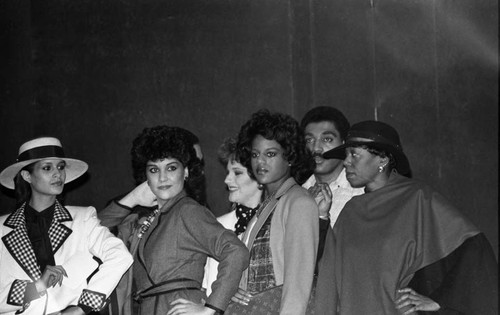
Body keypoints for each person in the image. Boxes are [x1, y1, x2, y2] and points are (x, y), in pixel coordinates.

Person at [315, 121, 498, 315]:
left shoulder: (418, 198)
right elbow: (329, 274)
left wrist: (439, 300)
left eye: (354, 154)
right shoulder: (351, 211)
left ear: (382, 160)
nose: (346, 162)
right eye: (346, 155)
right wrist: (321, 217)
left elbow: (474, 249)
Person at [99, 126, 249, 315]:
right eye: (154, 170)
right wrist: (133, 198)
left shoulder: (188, 210)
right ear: (145, 176)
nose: (162, 178)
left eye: (171, 168)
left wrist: (211, 308)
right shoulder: (151, 216)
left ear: (185, 171)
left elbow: (235, 251)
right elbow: (92, 232)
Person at [0, 137, 133, 315]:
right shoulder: (2, 228)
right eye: (47, 168)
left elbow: (120, 255)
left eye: (61, 167)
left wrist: (82, 308)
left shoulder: (82, 219)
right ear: (26, 175)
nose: (58, 174)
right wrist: (37, 286)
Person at [226, 109, 319, 315]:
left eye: (270, 154)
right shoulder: (267, 205)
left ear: (290, 158)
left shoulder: (299, 202)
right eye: (255, 154)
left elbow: (298, 285)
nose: (260, 162)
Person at [202, 137, 263, 296]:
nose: (227, 180)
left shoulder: (279, 222)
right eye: (228, 172)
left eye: (237, 172)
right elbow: (207, 286)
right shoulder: (217, 225)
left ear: (261, 177)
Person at [300, 106, 364, 226]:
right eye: (309, 140)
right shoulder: (298, 192)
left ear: (343, 144)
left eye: (327, 139)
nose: (316, 148)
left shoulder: (360, 192)